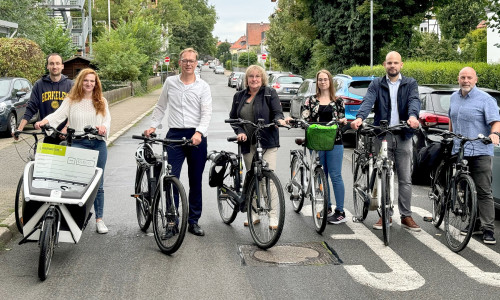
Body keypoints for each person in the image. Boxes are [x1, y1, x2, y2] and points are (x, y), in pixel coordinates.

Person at [144, 48, 212, 237]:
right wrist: (152, 126)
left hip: (196, 135)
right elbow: (160, 106)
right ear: (179, 62)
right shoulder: (170, 83)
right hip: (174, 134)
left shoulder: (203, 86)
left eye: (191, 61)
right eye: (185, 60)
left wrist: (199, 132)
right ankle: (172, 221)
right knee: (170, 179)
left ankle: (193, 221)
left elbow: (206, 113)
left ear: (196, 63)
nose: (188, 64)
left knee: (195, 180)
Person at [351, 51, 421, 231]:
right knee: (383, 174)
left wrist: (413, 117)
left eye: (396, 63)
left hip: (403, 133)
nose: (392, 66)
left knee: (405, 178)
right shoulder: (377, 83)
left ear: (401, 65)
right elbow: (368, 101)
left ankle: (406, 216)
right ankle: (385, 215)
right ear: (384, 64)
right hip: (382, 135)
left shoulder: (410, 83)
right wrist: (360, 118)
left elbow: (414, 101)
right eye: (389, 63)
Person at [34, 68, 111, 234]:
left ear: (96, 83)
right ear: (80, 82)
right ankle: (73, 218)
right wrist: (43, 121)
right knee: (74, 182)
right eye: (86, 80)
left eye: (92, 81)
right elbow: (57, 116)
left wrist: (103, 128)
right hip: (78, 143)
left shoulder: (101, 101)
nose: (89, 84)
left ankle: (99, 219)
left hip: (98, 145)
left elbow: (107, 120)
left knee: (99, 183)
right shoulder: (71, 101)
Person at [229, 65, 286, 228]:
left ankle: (273, 215)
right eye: (251, 76)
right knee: (253, 177)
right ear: (247, 79)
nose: (254, 79)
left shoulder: (269, 93)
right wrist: (240, 131)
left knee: (267, 179)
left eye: (257, 77)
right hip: (247, 143)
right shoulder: (239, 96)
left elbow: (277, 112)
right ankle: (253, 213)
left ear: (262, 79)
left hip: (267, 142)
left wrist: (279, 120)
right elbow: (234, 118)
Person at [449, 67, 500, 245]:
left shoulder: (486, 99)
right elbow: (452, 119)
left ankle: (488, 230)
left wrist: (494, 135)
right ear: (458, 79)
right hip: (460, 150)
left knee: (484, 190)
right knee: (464, 188)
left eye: (469, 77)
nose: (466, 80)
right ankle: (475, 223)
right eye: (463, 77)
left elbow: (495, 122)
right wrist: (450, 136)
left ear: (475, 79)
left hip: (480, 151)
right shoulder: (454, 97)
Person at [299, 69, 348, 224]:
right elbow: (304, 117)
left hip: (334, 141)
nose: (323, 82)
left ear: (330, 81)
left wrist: (343, 121)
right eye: (320, 79)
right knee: (322, 174)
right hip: (316, 142)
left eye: (325, 79)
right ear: (317, 82)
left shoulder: (338, 101)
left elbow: (342, 119)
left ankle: (340, 211)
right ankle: (326, 206)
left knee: (335, 175)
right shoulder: (310, 100)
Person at [15, 53, 73, 144]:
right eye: (51, 63)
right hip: (48, 133)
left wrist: (66, 128)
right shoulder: (39, 85)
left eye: (57, 63)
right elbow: (31, 108)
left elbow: (74, 110)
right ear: (47, 66)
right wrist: (19, 129)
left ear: (62, 66)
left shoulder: (71, 85)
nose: (55, 66)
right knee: (45, 157)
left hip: (68, 135)